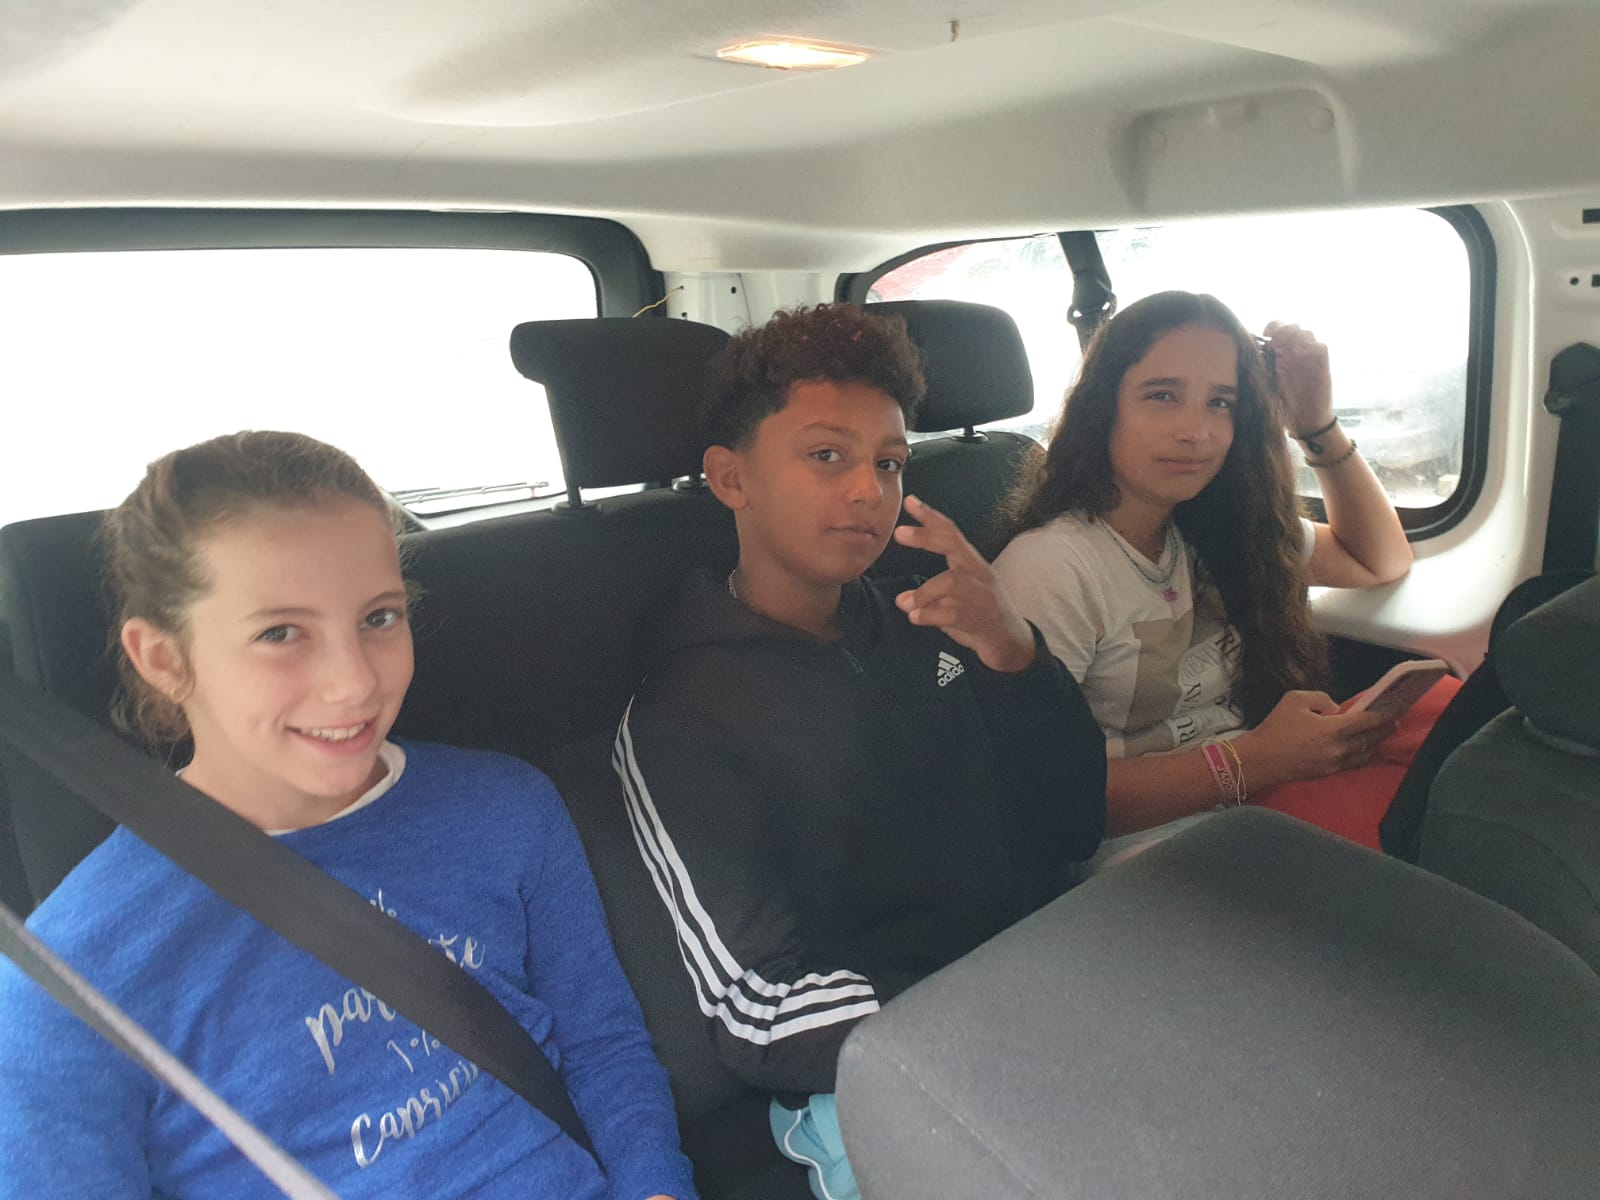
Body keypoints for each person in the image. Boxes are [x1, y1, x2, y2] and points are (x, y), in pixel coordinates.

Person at [0, 431, 694, 1200]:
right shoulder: (67, 979)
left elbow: (603, 1049)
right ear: (164, 659)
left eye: (379, 618)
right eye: (279, 633)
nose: (355, 683)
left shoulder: (506, 809)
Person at [613, 304, 1106, 1200]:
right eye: (826, 456)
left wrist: (1014, 654)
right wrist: (1000, 1004)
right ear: (730, 478)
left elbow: (1074, 822)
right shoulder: (684, 714)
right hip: (892, 1059)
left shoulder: (934, 615)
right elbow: (757, 1010)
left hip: (1054, 993)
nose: (867, 493)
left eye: (888, 462)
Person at [993, 289, 1421, 862]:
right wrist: (1259, 760)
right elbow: (1041, 797)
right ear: (1103, 407)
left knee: (1437, 721)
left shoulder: (1212, 526)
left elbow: (1378, 559)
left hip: (1252, 796)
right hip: (1150, 849)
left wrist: (1315, 424)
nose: (1196, 430)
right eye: (1162, 396)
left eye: (1220, 403)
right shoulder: (1051, 566)